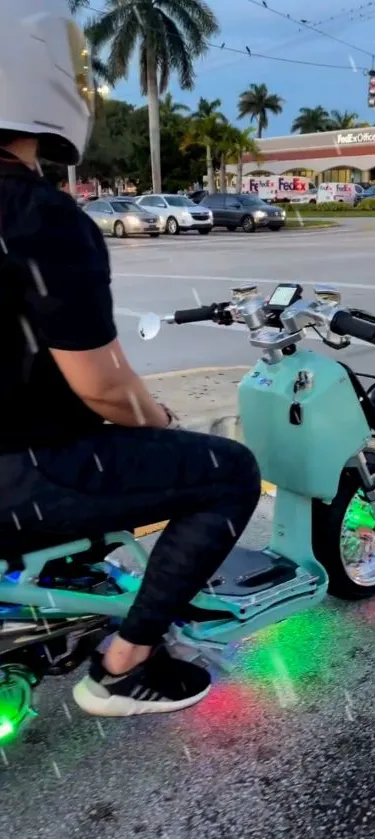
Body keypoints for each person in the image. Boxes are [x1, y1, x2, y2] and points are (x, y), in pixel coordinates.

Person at [0, 0, 261, 717]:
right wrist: (156, 420)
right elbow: (106, 386)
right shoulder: (38, 216)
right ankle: (124, 662)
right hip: (22, 472)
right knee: (228, 472)